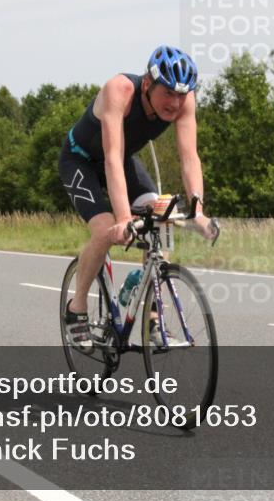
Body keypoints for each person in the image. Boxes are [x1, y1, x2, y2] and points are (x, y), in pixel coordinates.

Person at [59, 45, 216, 350]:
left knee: (164, 218)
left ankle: (153, 318)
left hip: (123, 162)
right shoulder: (120, 90)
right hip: (81, 162)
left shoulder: (184, 102)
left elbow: (189, 158)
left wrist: (197, 210)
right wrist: (123, 220)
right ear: (148, 84)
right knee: (106, 230)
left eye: (181, 95)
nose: (175, 102)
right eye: (167, 93)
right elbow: (111, 159)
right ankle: (76, 308)